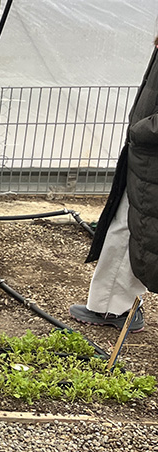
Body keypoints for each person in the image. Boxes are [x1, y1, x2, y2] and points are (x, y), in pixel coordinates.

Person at [71, 35, 158, 334]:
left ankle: (113, 307)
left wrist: (143, 130)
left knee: (133, 225)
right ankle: (115, 303)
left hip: (151, 153)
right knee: (133, 224)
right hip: (146, 152)